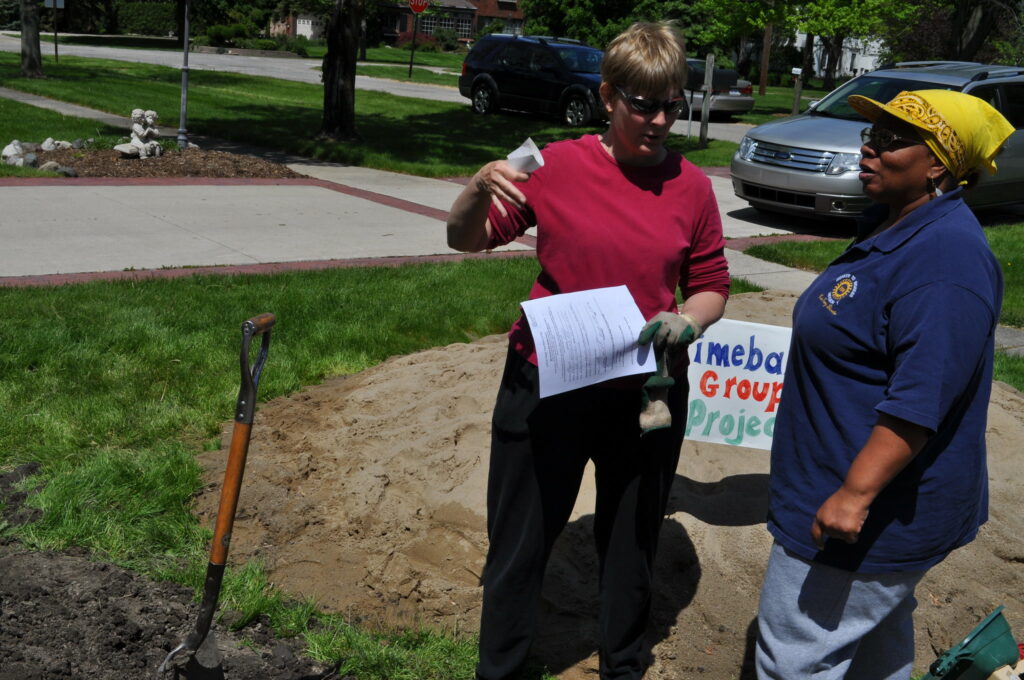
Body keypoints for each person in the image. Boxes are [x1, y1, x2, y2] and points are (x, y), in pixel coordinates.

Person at [446, 21, 730, 680]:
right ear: (607, 96)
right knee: (520, 541)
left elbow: (712, 285)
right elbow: (466, 238)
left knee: (631, 542)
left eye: (672, 104)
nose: (660, 120)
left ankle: (622, 665)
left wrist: (687, 321)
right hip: (548, 383)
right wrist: (474, 189)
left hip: (646, 389)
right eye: (643, 104)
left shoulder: (692, 186)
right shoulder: (545, 160)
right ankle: (503, 669)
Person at [755, 90, 1015, 680]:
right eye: (873, 133)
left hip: (865, 517)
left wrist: (853, 494)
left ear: (940, 166)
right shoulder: (899, 228)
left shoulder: (945, 263)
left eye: (895, 140)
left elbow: (920, 400)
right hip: (844, 498)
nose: (868, 146)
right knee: (873, 653)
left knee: (796, 659)